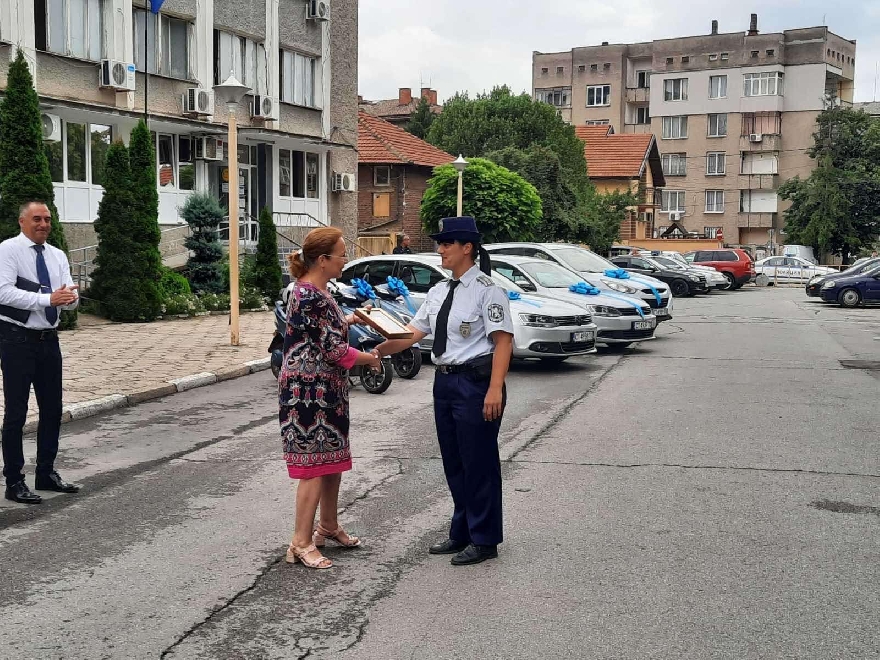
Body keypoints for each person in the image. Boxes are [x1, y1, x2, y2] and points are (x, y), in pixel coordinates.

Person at [374, 216, 514, 566]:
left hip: (475, 384)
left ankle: (484, 539)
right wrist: (375, 350)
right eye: (440, 244)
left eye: (446, 244)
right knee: (454, 460)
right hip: (446, 382)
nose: (440, 250)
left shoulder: (487, 291)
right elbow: (412, 334)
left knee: (478, 461)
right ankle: (462, 530)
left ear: (467, 247)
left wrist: (495, 389)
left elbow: (503, 342)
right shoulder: (438, 292)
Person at [279, 226, 382, 569]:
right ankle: (301, 541)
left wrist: (354, 317)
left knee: (331, 462)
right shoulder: (310, 295)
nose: (345, 260)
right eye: (341, 254)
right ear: (322, 260)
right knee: (312, 467)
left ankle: (328, 526)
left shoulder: (319, 293)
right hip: (308, 394)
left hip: (327, 391)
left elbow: (325, 330)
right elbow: (335, 350)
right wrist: (373, 356)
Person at [0, 201, 80, 504]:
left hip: (49, 339)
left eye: (47, 219)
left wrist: (69, 299)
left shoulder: (57, 255)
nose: (43, 224)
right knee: (16, 413)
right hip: (16, 339)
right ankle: (14, 481)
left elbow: (68, 297)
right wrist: (47, 299)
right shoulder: (8, 250)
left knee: (52, 409)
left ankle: (46, 472)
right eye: (37, 219)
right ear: (22, 221)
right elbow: (3, 292)